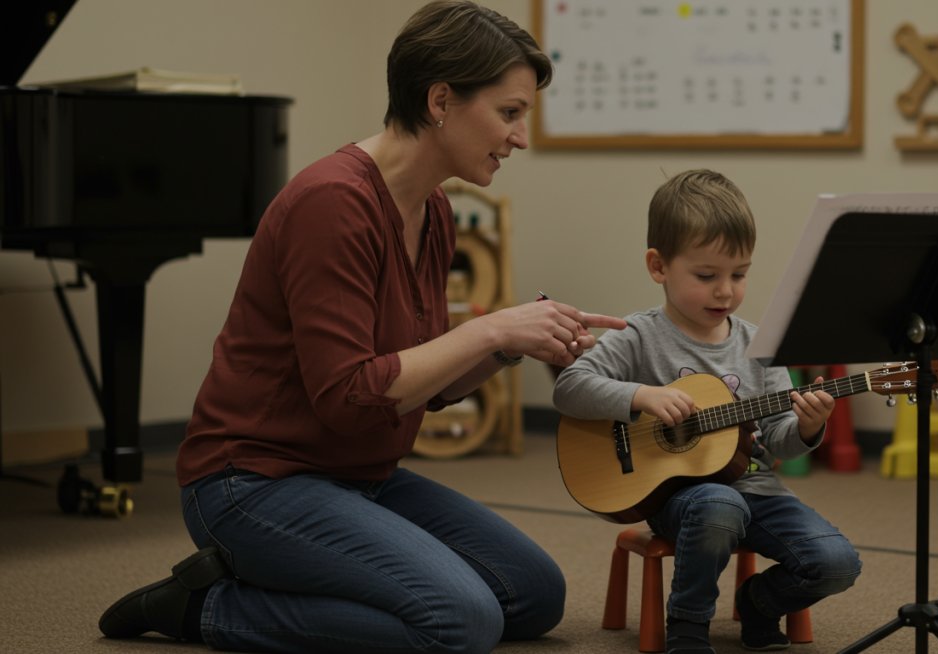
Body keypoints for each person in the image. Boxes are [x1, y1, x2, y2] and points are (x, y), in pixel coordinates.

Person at [97, 2, 626, 652]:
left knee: (534, 593)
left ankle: (312, 575)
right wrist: (490, 330)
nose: (520, 137)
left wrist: (515, 345)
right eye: (510, 113)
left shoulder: (433, 210)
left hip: (357, 476)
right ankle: (205, 608)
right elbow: (349, 396)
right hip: (251, 483)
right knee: (462, 622)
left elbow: (421, 385)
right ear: (440, 100)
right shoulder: (333, 203)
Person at [553, 170, 861, 653]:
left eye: (739, 274)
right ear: (658, 266)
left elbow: (778, 440)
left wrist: (807, 426)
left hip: (757, 489)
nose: (726, 291)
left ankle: (759, 603)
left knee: (838, 561)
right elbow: (570, 387)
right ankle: (689, 628)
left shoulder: (760, 346)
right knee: (720, 504)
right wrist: (641, 396)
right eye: (707, 276)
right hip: (679, 498)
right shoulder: (638, 335)